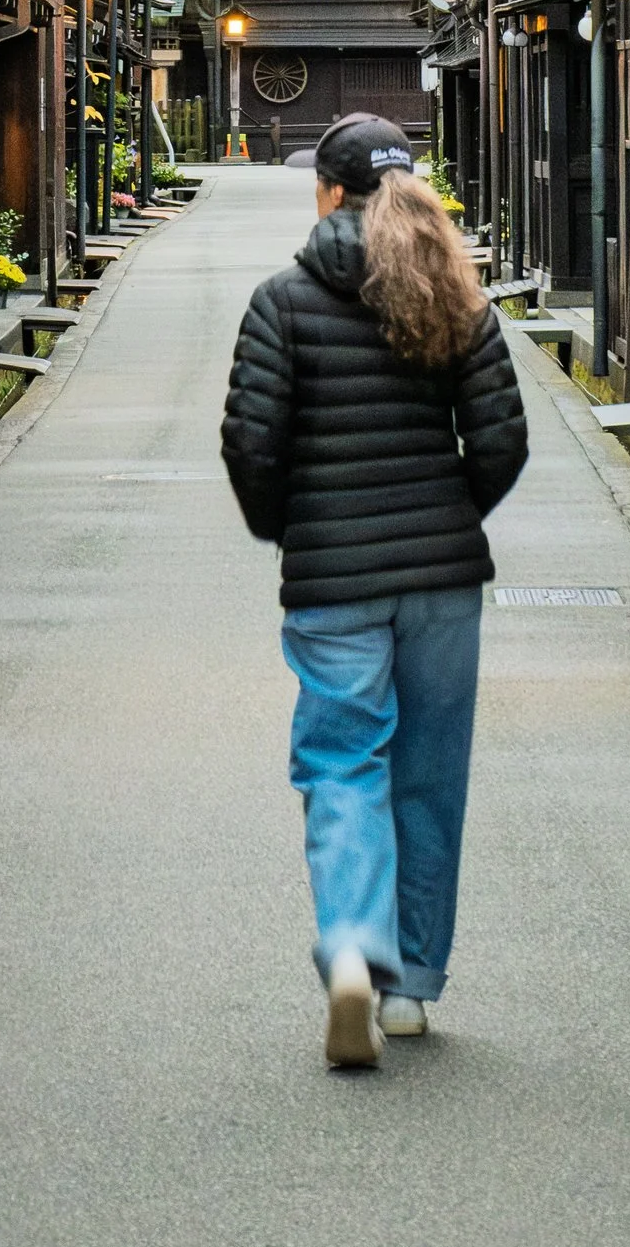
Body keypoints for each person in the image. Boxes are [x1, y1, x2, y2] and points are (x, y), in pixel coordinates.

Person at [220, 111, 528, 1068]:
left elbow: (251, 443)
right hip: (444, 583)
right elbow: (504, 439)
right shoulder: (456, 297)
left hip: (335, 584)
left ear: (326, 192)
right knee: (430, 778)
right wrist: (452, 514)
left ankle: (354, 944)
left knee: (344, 762)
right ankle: (410, 994)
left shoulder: (282, 302)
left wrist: (288, 529)